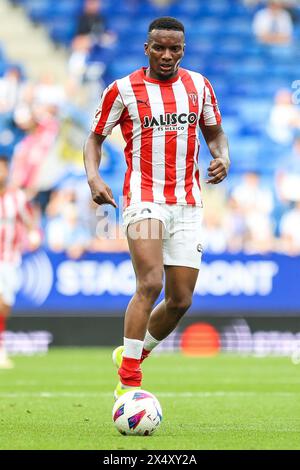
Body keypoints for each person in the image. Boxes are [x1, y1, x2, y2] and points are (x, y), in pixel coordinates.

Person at [83, 17, 230, 399]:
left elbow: (214, 133)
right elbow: (94, 139)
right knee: (150, 282)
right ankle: (129, 384)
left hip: (188, 204)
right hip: (144, 199)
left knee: (180, 300)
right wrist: (94, 177)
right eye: (159, 48)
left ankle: (132, 356)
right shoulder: (123, 89)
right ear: (146, 48)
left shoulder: (199, 86)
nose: (167, 55)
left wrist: (223, 157)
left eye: (175, 49)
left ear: (183, 49)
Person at [0, 155, 41, 368]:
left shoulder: (16, 198)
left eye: (2, 169)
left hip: (9, 259)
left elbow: (29, 220)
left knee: (5, 304)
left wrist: (34, 234)